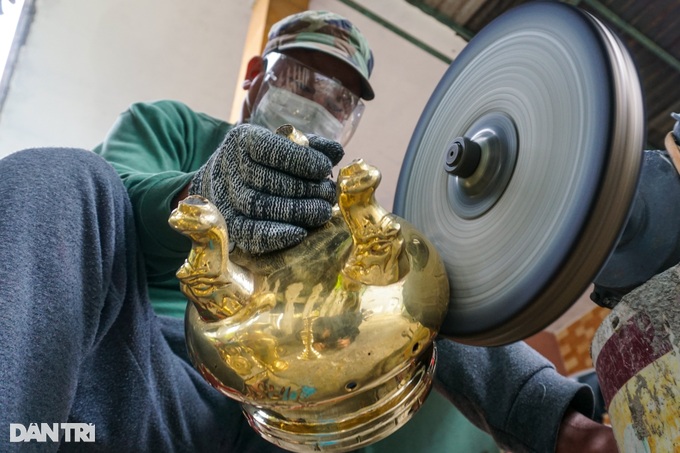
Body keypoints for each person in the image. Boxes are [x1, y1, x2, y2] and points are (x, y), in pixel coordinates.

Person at [0, 9, 617, 453]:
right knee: (63, 178)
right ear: (255, 75)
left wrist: (548, 414)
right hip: (148, 380)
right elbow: (101, 225)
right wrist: (208, 195)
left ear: (352, 124)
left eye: (340, 99)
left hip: (297, 419)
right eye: (300, 79)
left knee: (396, 264)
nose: (317, 101)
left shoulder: (339, 209)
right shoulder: (172, 128)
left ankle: (568, 431)